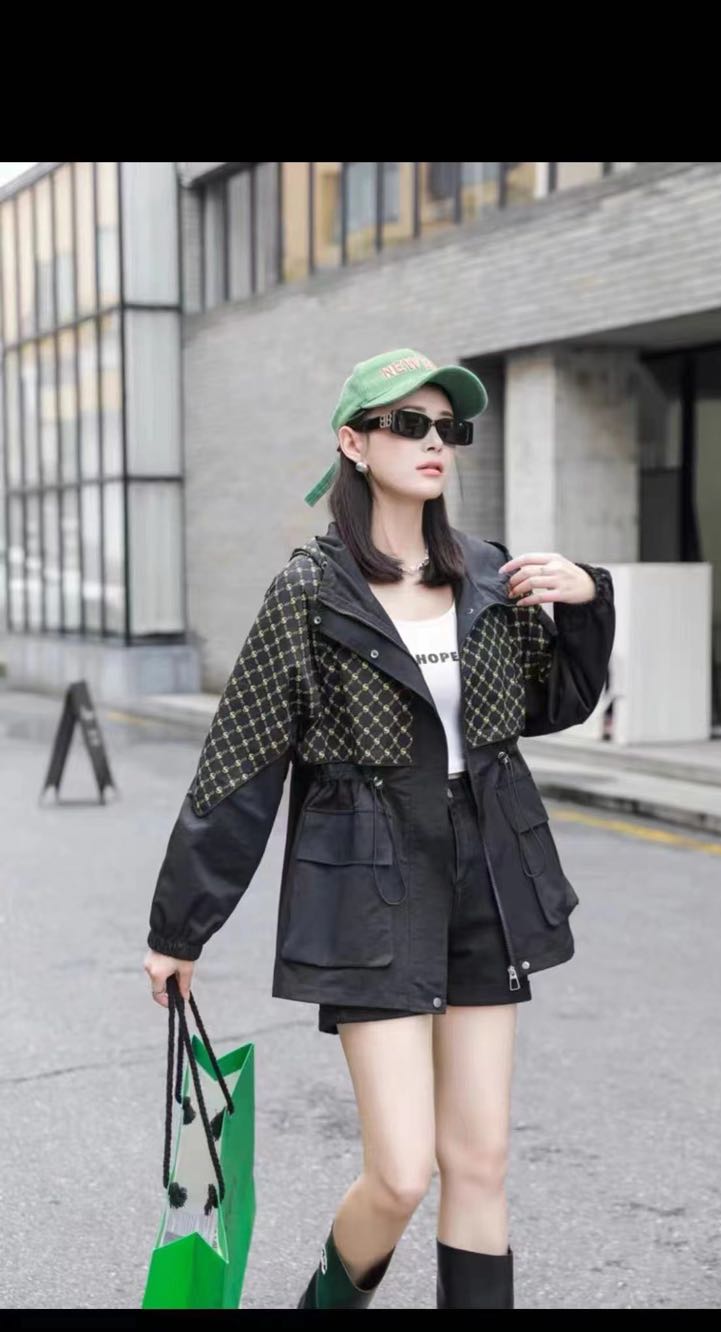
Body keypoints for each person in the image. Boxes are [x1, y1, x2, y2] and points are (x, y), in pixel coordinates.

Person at [143, 347, 615, 1309]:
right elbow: (241, 763)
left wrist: (588, 600)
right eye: (409, 424)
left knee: (479, 1161)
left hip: (487, 873)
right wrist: (179, 927)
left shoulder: (487, 573)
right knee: (401, 1174)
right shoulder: (309, 594)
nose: (436, 442)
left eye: (450, 427)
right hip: (368, 879)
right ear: (353, 443)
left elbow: (553, 703)